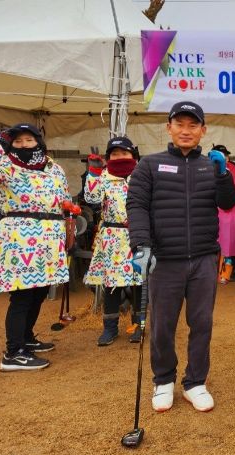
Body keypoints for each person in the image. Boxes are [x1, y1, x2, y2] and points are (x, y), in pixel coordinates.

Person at [127, 101, 235, 413]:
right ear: (169, 128)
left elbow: (228, 203)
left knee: (201, 323)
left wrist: (223, 174)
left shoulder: (210, 166)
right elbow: (136, 205)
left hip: (203, 258)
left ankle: (195, 382)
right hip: (165, 260)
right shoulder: (149, 165)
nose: (186, 131)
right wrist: (141, 244)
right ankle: (163, 380)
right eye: (180, 124)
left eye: (193, 125)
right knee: (163, 325)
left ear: (203, 130)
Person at [0, 123, 71, 371]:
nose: (24, 145)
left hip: (50, 238)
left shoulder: (53, 167)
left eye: (29, 140)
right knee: (22, 295)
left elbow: (65, 197)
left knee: (40, 291)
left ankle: (26, 338)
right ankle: (13, 352)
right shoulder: (5, 165)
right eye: (17, 141)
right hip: (20, 239)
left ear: (39, 142)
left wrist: (68, 212)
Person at [83, 137, 143, 346]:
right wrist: (93, 173)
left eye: (124, 153)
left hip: (138, 235)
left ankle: (139, 326)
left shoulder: (141, 175)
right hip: (112, 238)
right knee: (112, 285)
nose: (120, 157)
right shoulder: (104, 177)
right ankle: (110, 328)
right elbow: (91, 198)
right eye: (115, 154)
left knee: (138, 283)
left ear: (133, 155)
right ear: (108, 158)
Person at [212, 144, 235, 284]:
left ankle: (230, 272)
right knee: (212, 241)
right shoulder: (205, 168)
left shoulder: (233, 169)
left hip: (230, 210)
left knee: (230, 243)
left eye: (225, 155)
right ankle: (213, 272)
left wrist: (234, 199)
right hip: (212, 210)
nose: (224, 157)